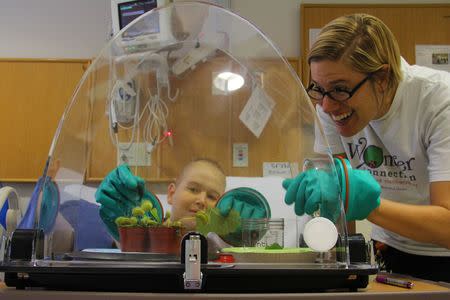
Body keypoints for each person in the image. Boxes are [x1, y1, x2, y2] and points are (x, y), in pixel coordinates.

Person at [283, 13, 450, 282]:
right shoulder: (329, 106)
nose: (326, 107)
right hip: (388, 251)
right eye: (319, 89)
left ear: (382, 77)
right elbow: (339, 204)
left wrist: (368, 206)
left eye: (340, 89)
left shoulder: (439, 102)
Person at [96, 158, 269, 242]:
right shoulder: (146, 232)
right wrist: (123, 234)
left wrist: (246, 236)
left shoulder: (219, 247)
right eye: (193, 189)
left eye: (212, 197)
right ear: (171, 194)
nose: (202, 200)